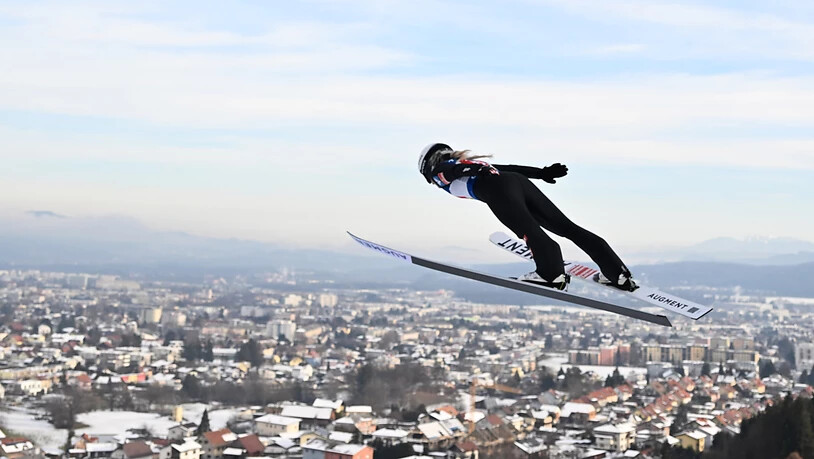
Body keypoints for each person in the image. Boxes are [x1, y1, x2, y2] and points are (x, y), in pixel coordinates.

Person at [418, 142, 636, 291]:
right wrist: (541, 173)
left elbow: (454, 173)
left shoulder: (440, 172)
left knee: (529, 231)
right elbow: (509, 169)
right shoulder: (462, 164)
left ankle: (551, 275)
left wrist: (479, 173)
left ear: (427, 165)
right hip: (516, 182)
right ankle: (617, 274)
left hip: (497, 189)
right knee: (567, 227)